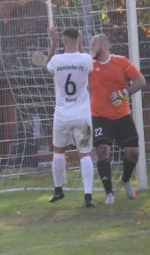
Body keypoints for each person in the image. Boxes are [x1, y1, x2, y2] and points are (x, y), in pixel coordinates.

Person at [89, 33, 146, 205]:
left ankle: (125, 179)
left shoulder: (121, 62)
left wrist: (124, 93)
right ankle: (109, 193)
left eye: (94, 44)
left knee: (133, 153)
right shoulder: (89, 65)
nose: (91, 47)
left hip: (122, 115)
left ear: (106, 45)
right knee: (102, 150)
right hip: (100, 116)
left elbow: (141, 81)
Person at [43, 27, 96, 208]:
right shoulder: (86, 59)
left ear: (64, 41)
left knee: (58, 151)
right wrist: (80, 45)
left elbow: (47, 65)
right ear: (78, 40)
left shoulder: (57, 60)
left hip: (62, 115)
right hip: (82, 115)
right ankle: (88, 196)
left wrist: (53, 44)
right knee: (85, 153)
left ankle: (58, 190)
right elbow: (87, 66)